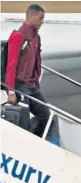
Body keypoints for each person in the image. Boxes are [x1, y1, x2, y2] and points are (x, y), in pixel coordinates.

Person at [5, 4, 50, 138]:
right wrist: (11, 91)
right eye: (40, 18)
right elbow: (11, 65)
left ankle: (34, 140)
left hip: (32, 86)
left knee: (44, 115)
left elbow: (37, 62)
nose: (42, 21)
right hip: (19, 84)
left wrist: (36, 83)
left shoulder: (36, 38)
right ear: (31, 16)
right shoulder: (18, 36)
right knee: (23, 118)